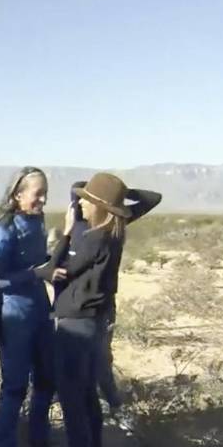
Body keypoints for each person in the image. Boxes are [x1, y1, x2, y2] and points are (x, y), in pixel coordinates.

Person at [42, 173, 162, 447]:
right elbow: (152, 198)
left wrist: (64, 236)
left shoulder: (92, 237)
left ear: (99, 207)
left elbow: (55, 271)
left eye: (84, 198)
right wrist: (116, 199)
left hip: (75, 322)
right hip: (93, 320)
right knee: (87, 389)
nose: (77, 202)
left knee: (71, 398)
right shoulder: (112, 231)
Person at [61, 180, 161, 431]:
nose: (81, 202)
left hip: (95, 306)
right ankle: (98, 410)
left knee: (98, 361)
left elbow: (153, 197)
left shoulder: (103, 226)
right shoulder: (93, 226)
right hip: (87, 306)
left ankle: (113, 408)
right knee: (87, 361)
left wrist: (115, 195)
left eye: (87, 198)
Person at [0, 166, 55, 447]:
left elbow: (40, 262)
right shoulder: (2, 230)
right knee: (14, 386)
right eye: (37, 193)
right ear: (17, 195)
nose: (42, 200)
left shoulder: (37, 223)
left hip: (41, 310)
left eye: (45, 194)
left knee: (46, 379)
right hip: (14, 316)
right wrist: (34, 275)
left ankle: (38, 437)